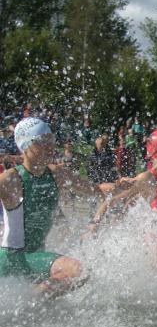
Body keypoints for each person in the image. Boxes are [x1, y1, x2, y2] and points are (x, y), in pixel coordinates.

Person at [0, 118, 115, 296]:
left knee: (76, 276)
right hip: (14, 257)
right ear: (26, 145)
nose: (51, 146)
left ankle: (30, 303)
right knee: (77, 270)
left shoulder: (56, 174)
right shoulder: (11, 179)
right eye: (43, 141)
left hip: (35, 257)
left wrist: (121, 186)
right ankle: (30, 301)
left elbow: (96, 190)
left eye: (51, 140)